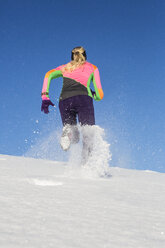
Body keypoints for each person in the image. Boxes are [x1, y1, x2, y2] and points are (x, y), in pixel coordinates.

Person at [41, 46, 104, 163]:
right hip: (84, 99)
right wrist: (93, 94)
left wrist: (45, 97)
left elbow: (48, 75)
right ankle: (86, 165)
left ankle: (67, 131)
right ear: (85, 55)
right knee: (88, 134)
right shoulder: (93, 68)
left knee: (73, 136)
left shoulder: (65, 67)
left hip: (64, 100)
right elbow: (100, 95)